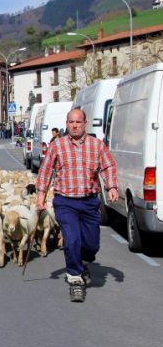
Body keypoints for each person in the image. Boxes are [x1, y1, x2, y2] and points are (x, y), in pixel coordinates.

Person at [36, 108, 118, 303]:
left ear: (85, 124)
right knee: (72, 240)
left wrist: (111, 186)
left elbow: (108, 165)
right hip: (65, 201)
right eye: (71, 122)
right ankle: (75, 279)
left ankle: (81, 261)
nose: (74, 125)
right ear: (67, 124)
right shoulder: (58, 146)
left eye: (78, 122)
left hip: (89, 202)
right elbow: (46, 170)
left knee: (91, 245)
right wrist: (41, 196)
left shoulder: (96, 146)